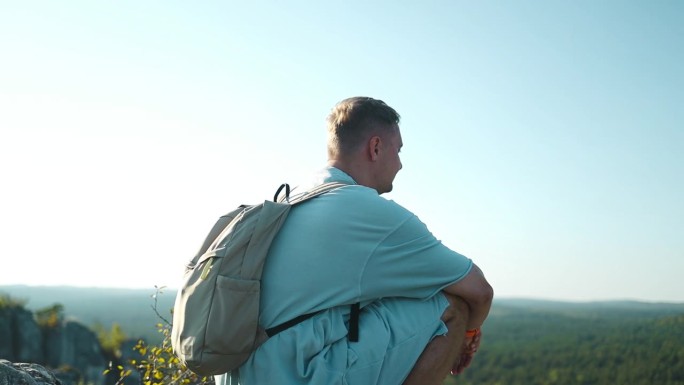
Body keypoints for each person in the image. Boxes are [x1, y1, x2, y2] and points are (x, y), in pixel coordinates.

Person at [215, 96, 493, 385]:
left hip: (240, 370)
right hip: (295, 374)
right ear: (375, 148)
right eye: (397, 151)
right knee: (454, 307)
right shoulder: (371, 213)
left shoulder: (291, 198)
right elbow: (479, 291)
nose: (400, 164)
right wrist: (468, 335)